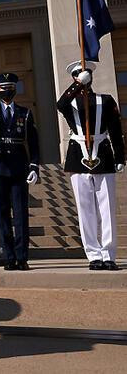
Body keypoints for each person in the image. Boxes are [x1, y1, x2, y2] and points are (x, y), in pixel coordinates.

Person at [56, 61, 125, 271]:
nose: (83, 78)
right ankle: (93, 255)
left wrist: (120, 157)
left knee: (107, 209)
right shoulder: (71, 102)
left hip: (103, 155)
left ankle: (108, 254)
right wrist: (77, 85)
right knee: (85, 209)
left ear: (92, 77)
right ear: (74, 78)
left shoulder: (105, 100)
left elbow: (115, 129)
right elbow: (60, 105)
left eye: (85, 75)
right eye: (77, 75)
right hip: (78, 156)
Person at [0, 73, 39, 271]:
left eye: (10, 88)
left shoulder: (25, 113)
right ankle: (9, 256)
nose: (7, 92)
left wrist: (34, 166)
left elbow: (34, 143)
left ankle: (22, 257)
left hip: (19, 167)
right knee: (1, 214)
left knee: (20, 214)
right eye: (3, 89)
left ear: (15, 89)